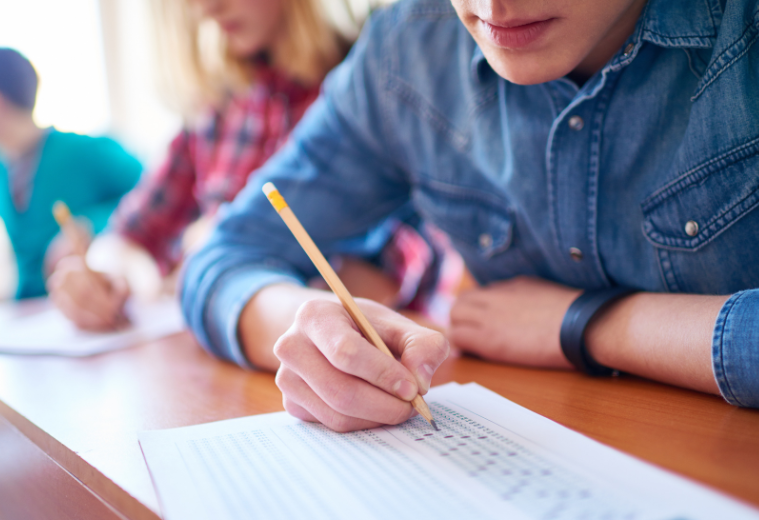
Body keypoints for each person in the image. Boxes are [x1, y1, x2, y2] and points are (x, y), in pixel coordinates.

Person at [181, 0, 759, 431]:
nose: (494, 5)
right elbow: (222, 259)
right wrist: (317, 331)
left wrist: (593, 326)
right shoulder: (407, 47)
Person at [48, 0, 444, 330]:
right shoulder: (216, 105)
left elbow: (400, 263)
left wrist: (223, 253)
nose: (206, 9)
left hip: (376, 350)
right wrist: (111, 279)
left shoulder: (373, 84)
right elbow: (133, 234)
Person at [0, 47, 142, 300]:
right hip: (26, 309)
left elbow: (152, 193)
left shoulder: (84, 152)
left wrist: (89, 224)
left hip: (87, 302)